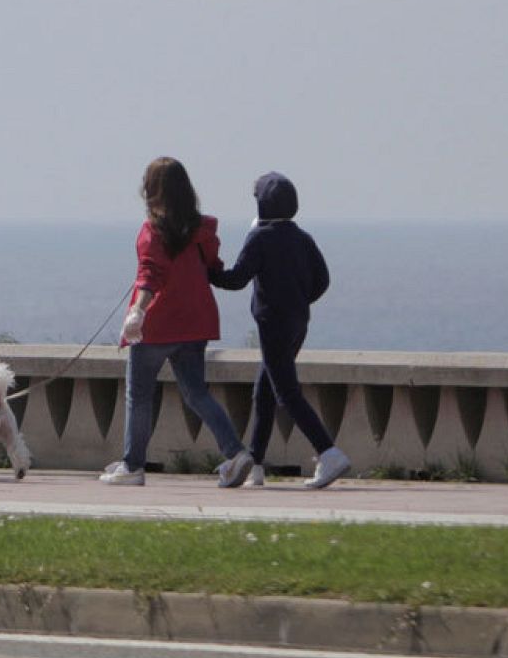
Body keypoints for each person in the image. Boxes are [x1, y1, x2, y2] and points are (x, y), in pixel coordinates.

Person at [100, 157, 255, 488]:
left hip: (158, 325)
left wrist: (137, 312)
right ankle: (236, 452)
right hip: (195, 322)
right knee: (197, 393)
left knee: (139, 396)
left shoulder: (152, 231)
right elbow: (212, 266)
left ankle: (133, 465)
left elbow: (150, 275)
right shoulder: (202, 231)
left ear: (152, 190)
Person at [209, 172, 351, 489]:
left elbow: (237, 279)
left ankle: (328, 452)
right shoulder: (302, 237)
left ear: (262, 204)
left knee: (286, 393)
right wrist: (299, 300)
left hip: (272, 323)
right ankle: (256, 464)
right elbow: (323, 280)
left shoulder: (260, 238)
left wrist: (209, 271)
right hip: (298, 321)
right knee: (264, 392)